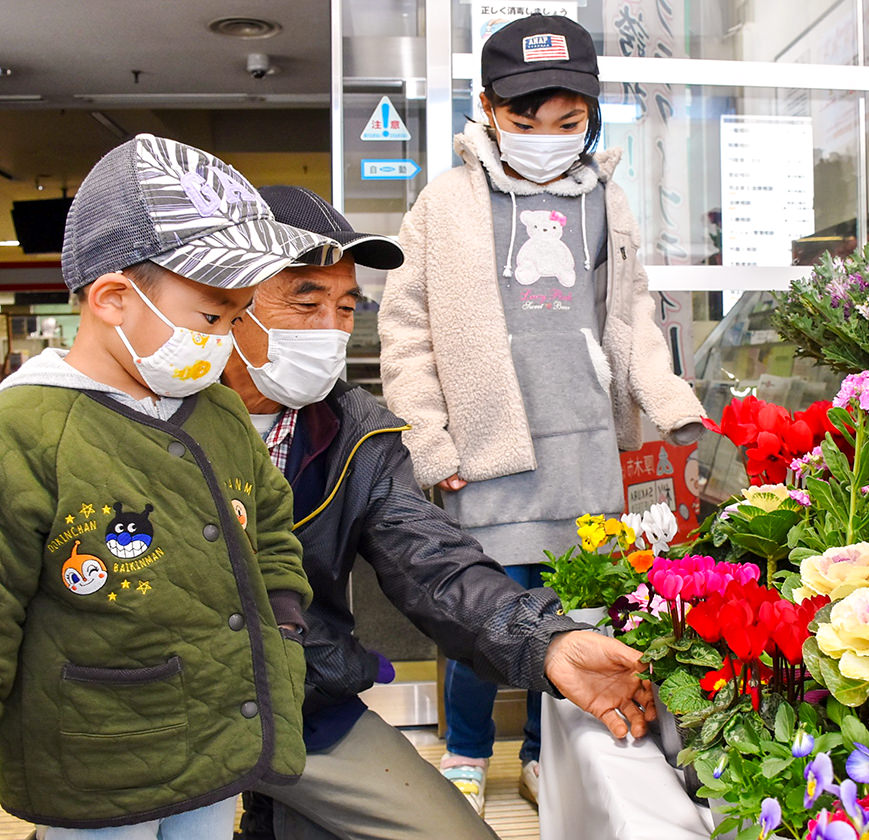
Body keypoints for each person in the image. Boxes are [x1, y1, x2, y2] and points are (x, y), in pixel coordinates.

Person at [225, 185, 659, 840]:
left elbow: (436, 566)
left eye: (346, 306)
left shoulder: (357, 431)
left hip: (304, 704)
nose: (330, 329)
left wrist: (551, 642)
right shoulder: (161, 416)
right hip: (165, 715)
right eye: (305, 299)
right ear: (225, 298)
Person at [378, 12, 706, 814]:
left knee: (574, 611)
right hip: (490, 447)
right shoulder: (445, 201)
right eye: (525, 121)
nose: (546, 137)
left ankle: (539, 751)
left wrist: (670, 405)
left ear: (591, 117)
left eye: (568, 122)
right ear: (488, 108)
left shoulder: (606, 200)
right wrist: (428, 437)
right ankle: (463, 752)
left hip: (587, 442)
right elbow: (406, 325)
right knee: (480, 614)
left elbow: (630, 313)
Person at [0, 135, 339, 838]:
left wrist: (280, 615)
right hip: (98, 760)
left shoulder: (215, 408)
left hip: (222, 738)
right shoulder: (26, 428)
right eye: (213, 316)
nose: (227, 338)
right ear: (115, 298)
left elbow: (270, 521)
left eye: (239, 315)